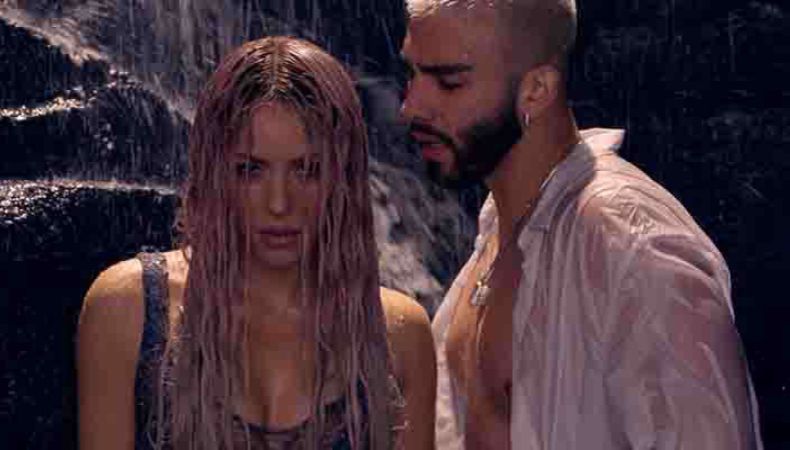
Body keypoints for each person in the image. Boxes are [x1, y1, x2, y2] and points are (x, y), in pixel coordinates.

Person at [399, 1, 762, 449]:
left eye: (449, 82)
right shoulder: (503, 227)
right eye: (412, 74)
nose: (411, 107)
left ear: (536, 90)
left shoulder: (628, 239)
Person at [77, 36, 436, 450]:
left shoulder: (399, 335)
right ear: (213, 172)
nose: (279, 203)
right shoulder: (127, 309)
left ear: (344, 178)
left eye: (307, 170)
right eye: (250, 170)